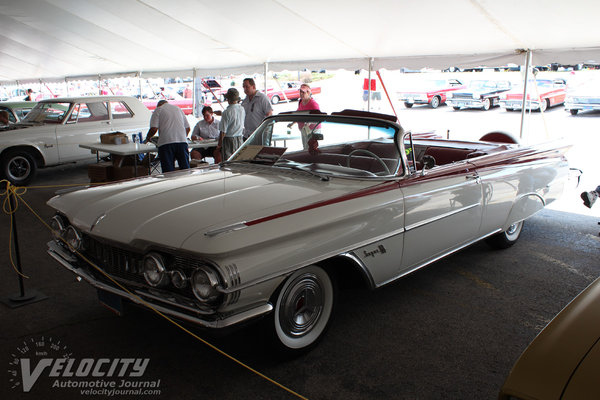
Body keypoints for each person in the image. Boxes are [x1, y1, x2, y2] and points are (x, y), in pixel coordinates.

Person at [144, 100, 190, 173]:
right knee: (185, 169)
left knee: (168, 171)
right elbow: (188, 128)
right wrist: (182, 136)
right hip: (182, 143)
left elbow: (153, 128)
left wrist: (148, 138)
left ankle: (170, 184)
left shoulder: (158, 109)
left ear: (159, 105)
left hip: (166, 143)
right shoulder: (178, 109)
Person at [218, 88, 245, 161]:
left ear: (228, 99)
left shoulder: (226, 112)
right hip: (239, 138)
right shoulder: (242, 109)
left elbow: (223, 131)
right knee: (239, 161)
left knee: (228, 162)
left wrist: (219, 145)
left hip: (228, 140)